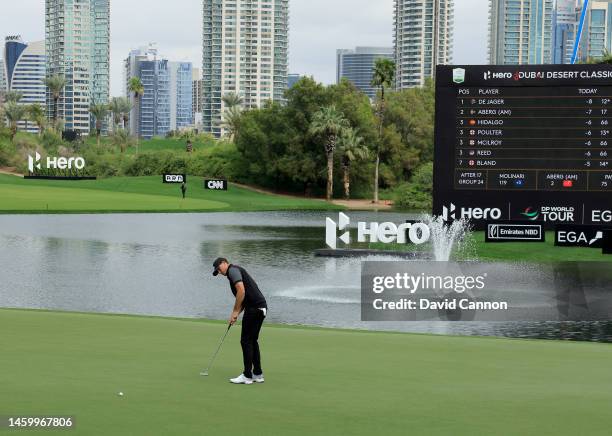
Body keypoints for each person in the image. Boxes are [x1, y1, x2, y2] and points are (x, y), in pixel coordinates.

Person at [212, 257, 267, 385]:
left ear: (224, 263)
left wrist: (235, 311)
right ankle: (258, 374)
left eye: (219, 269)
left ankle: (247, 375)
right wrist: (236, 314)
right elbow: (243, 297)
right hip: (260, 307)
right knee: (252, 341)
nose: (219, 272)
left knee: (246, 341)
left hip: (254, 309)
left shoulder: (233, 270)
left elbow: (241, 290)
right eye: (217, 272)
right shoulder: (234, 272)